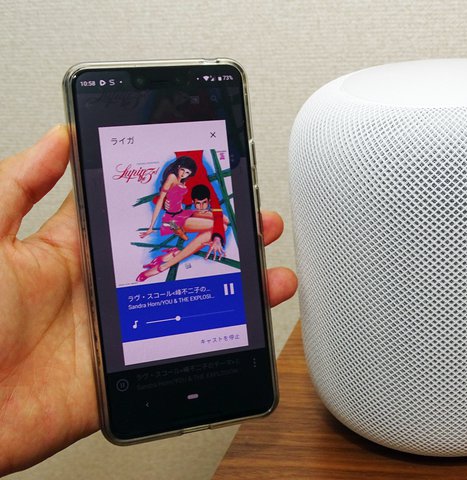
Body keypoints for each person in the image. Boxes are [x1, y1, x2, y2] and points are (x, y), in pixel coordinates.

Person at [0, 126, 298, 476]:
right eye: (182, 169)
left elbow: (202, 210)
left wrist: (211, 229)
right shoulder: (172, 182)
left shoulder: (190, 189)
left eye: (187, 170)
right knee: (213, 226)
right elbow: (160, 204)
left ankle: (165, 263)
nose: (184, 173)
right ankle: (167, 261)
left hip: (184, 222)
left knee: (214, 226)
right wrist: (153, 227)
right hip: (173, 222)